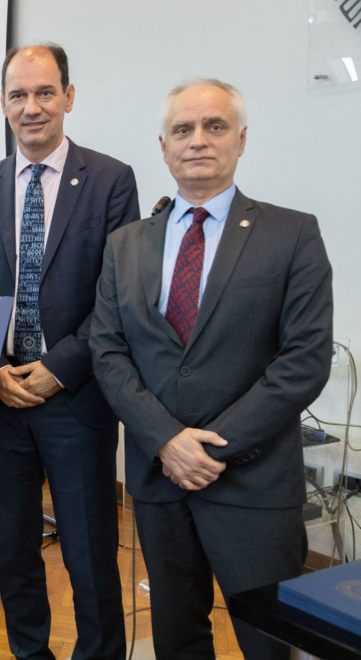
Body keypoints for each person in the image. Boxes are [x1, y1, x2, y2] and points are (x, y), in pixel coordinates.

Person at [90, 78, 333, 660]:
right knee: (177, 641)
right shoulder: (125, 245)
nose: (198, 140)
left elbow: (303, 361)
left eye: (214, 126)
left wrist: (208, 450)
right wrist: (166, 441)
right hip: (159, 482)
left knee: (270, 645)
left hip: (253, 485)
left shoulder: (292, 234)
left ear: (241, 139)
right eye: (183, 129)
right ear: (164, 146)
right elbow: (108, 351)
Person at [0, 44, 139, 660]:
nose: (31, 107)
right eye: (18, 95)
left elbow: (116, 295)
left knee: (89, 555)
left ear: (68, 96)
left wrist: (57, 369)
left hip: (77, 400)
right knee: (12, 553)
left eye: (44, 93)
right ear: (3, 103)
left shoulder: (111, 180)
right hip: (1, 401)